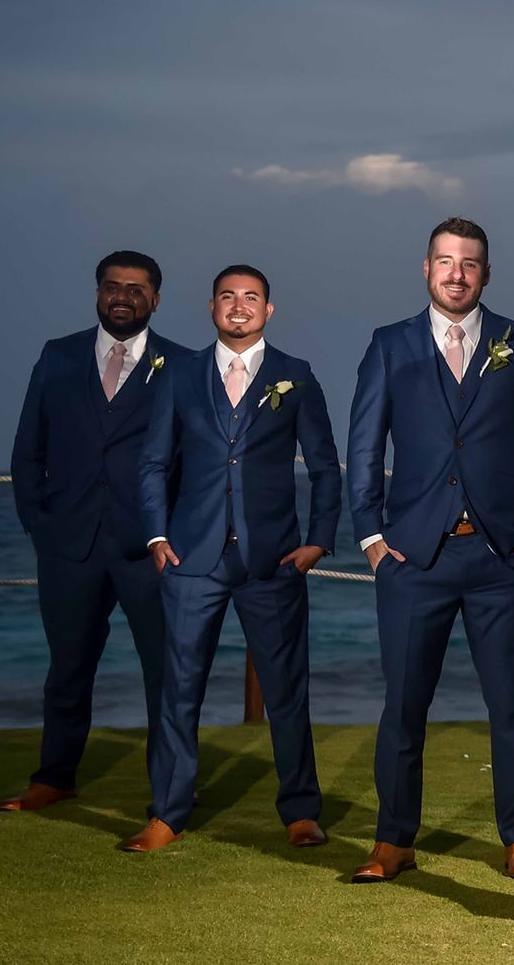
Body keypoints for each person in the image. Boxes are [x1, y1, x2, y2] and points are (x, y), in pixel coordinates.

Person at [344, 218, 514, 883]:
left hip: (504, 560)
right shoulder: (389, 346)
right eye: (446, 261)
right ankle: (393, 841)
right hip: (413, 559)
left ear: (486, 273)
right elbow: (362, 446)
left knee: (513, 706)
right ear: (426, 269)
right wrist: (373, 538)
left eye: (470, 263)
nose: (457, 273)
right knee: (405, 706)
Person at [119, 264, 341, 853]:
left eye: (251, 298)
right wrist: (155, 537)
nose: (238, 306)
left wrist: (318, 540)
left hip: (273, 560)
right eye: (227, 297)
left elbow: (324, 466)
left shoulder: (296, 376)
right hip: (191, 558)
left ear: (269, 310)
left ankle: (299, 810)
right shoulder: (179, 375)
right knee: (177, 688)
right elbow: (151, 464)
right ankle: (167, 812)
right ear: (211, 307)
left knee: (287, 691)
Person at [0, 251, 186, 814]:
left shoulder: (181, 363)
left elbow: (194, 459)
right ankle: (54, 777)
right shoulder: (58, 357)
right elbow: (28, 450)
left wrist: (177, 535)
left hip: (147, 548)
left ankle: (172, 788)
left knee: (166, 672)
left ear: (156, 298)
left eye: (135, 288)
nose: (122, 296)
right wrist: (40, 524)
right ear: (97, 293)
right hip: (68, 544)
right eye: (111, 286)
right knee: (68, 668)